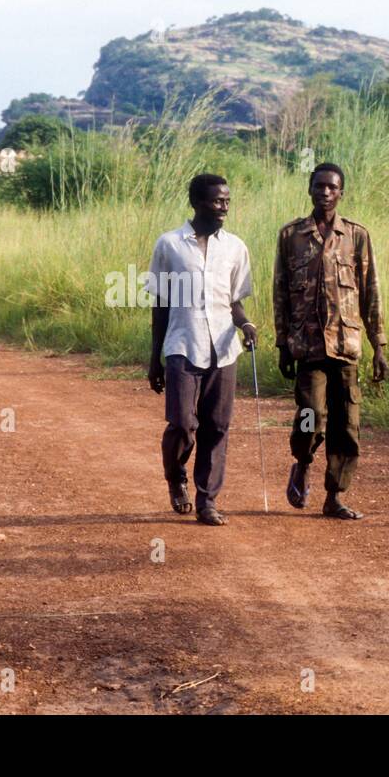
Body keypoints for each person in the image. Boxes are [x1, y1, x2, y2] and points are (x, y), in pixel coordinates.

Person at [273, 163, 389, 520]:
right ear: (309, 189)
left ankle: (334, 496)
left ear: (341, 193)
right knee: (310, 415)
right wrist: (282, 343)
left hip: (346, 347)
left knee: (346, 424)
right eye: (319, 186)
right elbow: (280, 292)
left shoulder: (356, 235)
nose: (325, 192)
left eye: (332, 187)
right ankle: (303, 461)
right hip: (307, 347)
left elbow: (371, 291)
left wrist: (379, 345)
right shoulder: (291, 235)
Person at [147, 174, 257, 527]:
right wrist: (155, 359)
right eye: (216, 201)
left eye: (227, 200)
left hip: (224, 348)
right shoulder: (169, 245)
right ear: (196, 202)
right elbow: (160, 305)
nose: (224, 206)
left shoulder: (236, 247)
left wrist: (246, 325)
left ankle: (207, 500)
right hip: (182, 344)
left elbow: (233, 302)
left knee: (217, 425)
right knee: (182, 423)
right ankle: (175, 475)